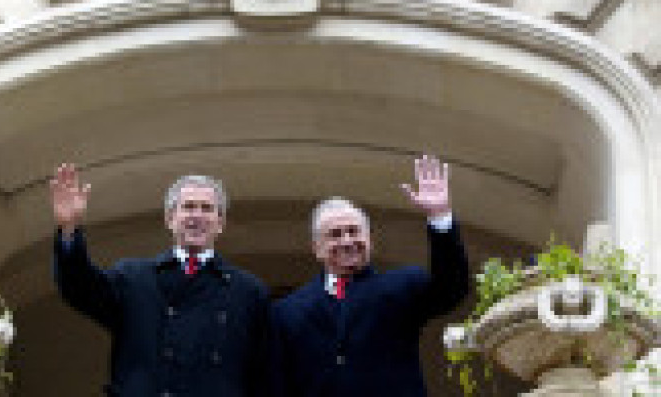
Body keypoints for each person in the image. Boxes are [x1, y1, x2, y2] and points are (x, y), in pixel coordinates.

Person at [50, 163, 269, 397]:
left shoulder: (248, 290)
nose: (197, 216)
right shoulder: (133, 277)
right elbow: (80, 288)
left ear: (220, 224)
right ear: (170, 219)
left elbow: (262, 373)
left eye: (207, 208)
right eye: (188, 207)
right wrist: (69, 230)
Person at [271, 154, 469, 397]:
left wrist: (439, 217)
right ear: (317, 249)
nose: (347, 241)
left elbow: (451, 288)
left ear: (369, 240)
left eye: (354, 231)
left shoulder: (403, 286)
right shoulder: (286, 312)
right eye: (335, 234)